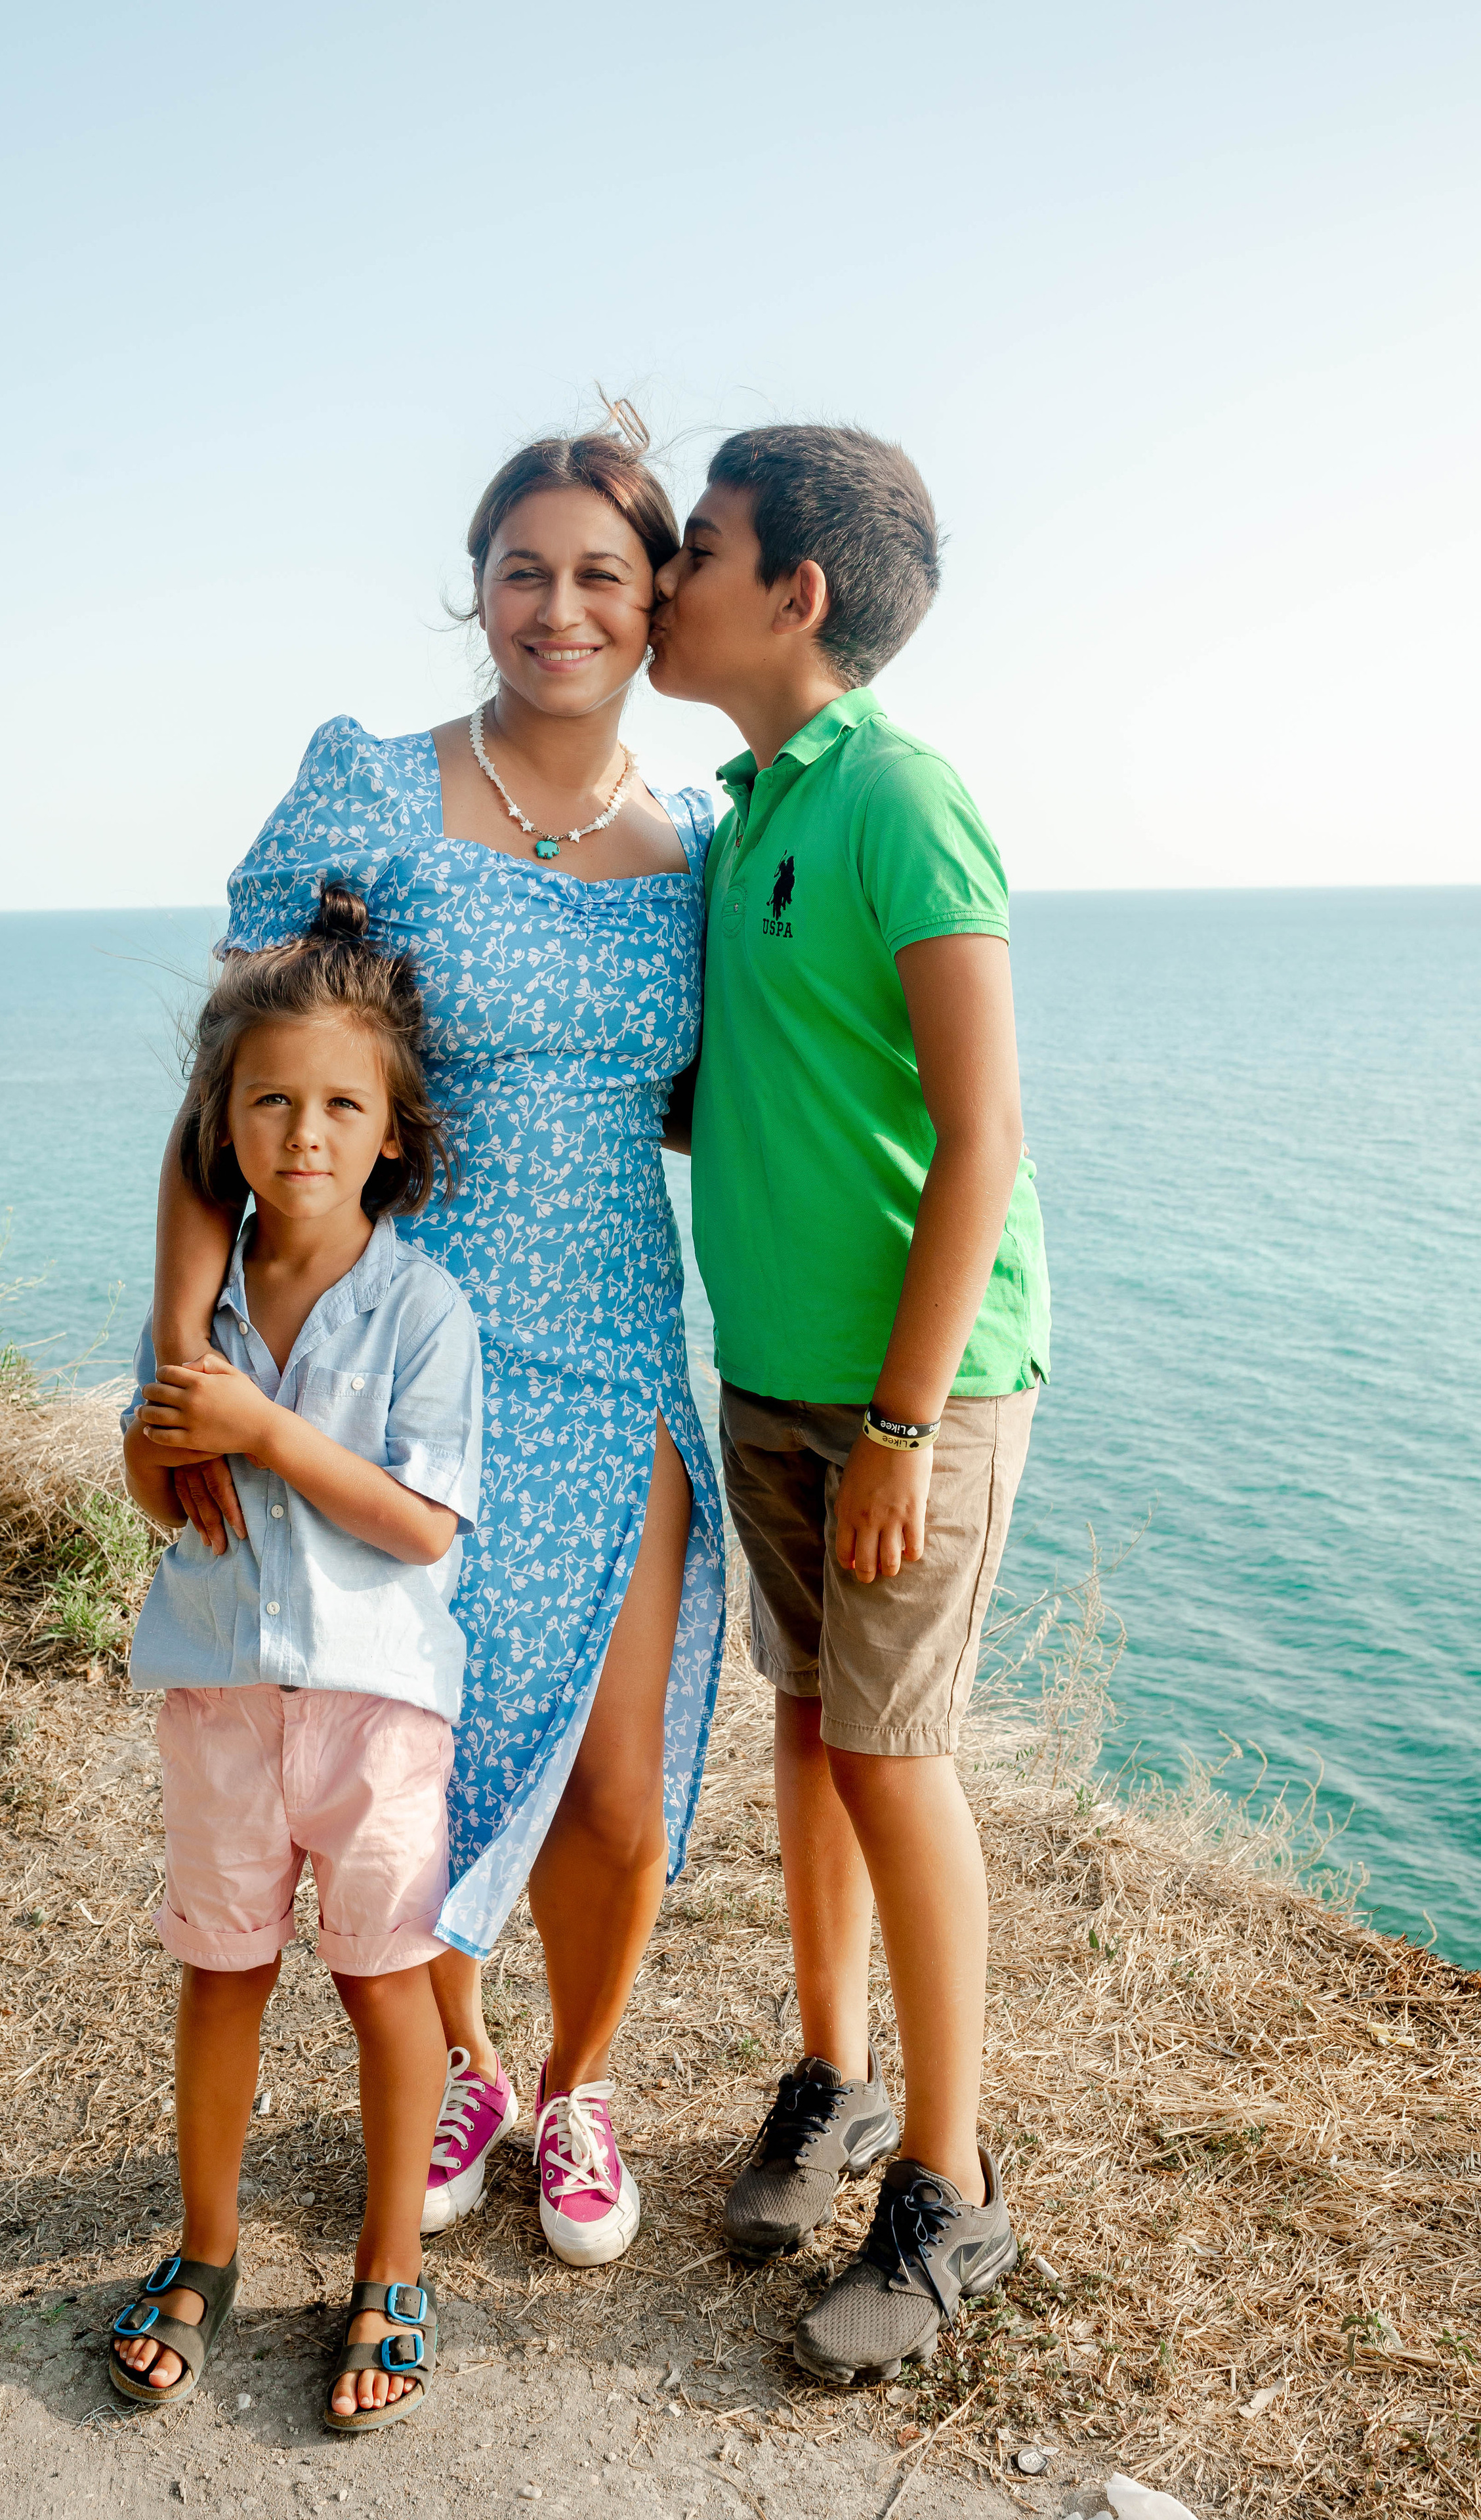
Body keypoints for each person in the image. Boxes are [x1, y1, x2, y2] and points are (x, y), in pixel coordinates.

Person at [150, 422, 725, 2269]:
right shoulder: (368, 794)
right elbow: (228, 1097)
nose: (560, 608)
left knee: (617, 1785)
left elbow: (746, 1102)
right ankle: (464, 2064)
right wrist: (180, 1368)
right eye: (524, 570)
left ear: (658, 606)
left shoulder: (707, 845)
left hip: (618, 1349)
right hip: (394, 1359)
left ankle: (580, 2087)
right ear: (476, 587)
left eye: (603, 576)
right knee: (434, 1759)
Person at [649, 423, 1051, 2381]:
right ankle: (834, 2077)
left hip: (916, 1389)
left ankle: (955, 2194)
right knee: (809, 1731)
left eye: (698, 546)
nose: (664, 577)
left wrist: (902, 1425)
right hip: (777, 1368)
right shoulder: (739, 819)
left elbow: (982, 1136)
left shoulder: (901, 796)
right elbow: (742, 1086)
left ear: (794, 592)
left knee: (893, 1756)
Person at [109, 885, 482, 2432]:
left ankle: (388, 2265)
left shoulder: (423, 1308)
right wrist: (164, 1445)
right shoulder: (195, 1308)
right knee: (221, 1971)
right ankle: (205, 2249)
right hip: (215, 1691)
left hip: (376, 1711)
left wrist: (264, 1431)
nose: (304, 1131)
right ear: (223, 1118)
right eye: (270, 1100)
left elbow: (422, 1528)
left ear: (393, 1130)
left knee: (386, 1985)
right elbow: (151, 1475)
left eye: (342, 1102)